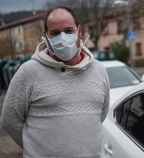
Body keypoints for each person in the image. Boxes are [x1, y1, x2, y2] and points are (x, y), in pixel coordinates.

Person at [1, 7, 110, 158]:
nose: (63, 37)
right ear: (46, 37)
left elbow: (100, 115)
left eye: (68, 30)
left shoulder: (99, 71)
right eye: (55, 33)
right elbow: (9, 120)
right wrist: (36, 148)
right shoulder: (28, 72)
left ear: (78, 31)